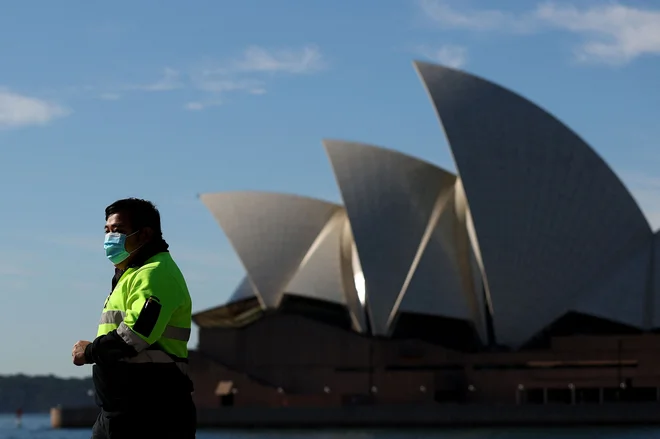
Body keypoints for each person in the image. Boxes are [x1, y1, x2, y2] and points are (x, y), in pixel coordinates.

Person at [71, 198, 196, 439]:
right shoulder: (130, 275)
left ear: (145, 234)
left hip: (152, 414)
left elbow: (135, 336)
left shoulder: (155, 273)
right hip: (119, 411)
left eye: (118, 230)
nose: (110, 237)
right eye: (107, 231)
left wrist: (89, 352)